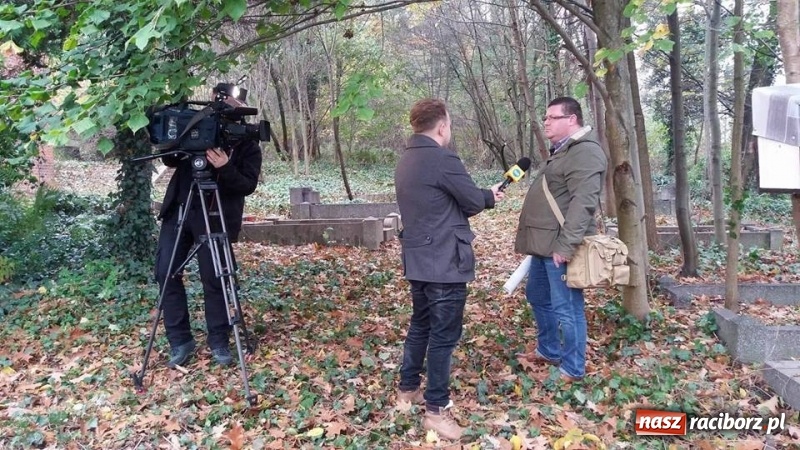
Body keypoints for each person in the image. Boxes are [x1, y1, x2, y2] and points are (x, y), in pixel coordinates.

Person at [394, 98, 504, 440]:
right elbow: (470, 201)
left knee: (420, 326)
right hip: (444, 261)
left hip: (418, 258)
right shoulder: (443, 158)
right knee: (443, 337)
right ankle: (436, 411)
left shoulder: (406, 160)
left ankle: (407, 389)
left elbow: (440, 204)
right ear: (441, 126)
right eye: (450, 125)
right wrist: (488, 196)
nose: (449, 130)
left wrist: (484, 195)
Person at [155, 84, 263, 368]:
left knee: (215, 279)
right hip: (180, 210)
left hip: (214, 215)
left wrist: (225, 166)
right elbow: (168, 156)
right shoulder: (196, 123)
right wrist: (185, 138)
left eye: (235, 104)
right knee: (166, 273)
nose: (229, 107)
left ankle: (219, 342)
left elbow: (247, 185)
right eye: (225, 101)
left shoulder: (245, 142)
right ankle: (180, 341)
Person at [514, 96, 607, 382]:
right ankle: (549, 349)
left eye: (553, 117)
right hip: (544, 245)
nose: (546, 122)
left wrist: (566, 246)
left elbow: (584, 202)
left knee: (567, 308)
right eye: (545, 118)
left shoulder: (585, 152)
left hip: (559, 246)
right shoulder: (564, 151)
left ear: (572, 119)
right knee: (538, 296)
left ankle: (572, 368)